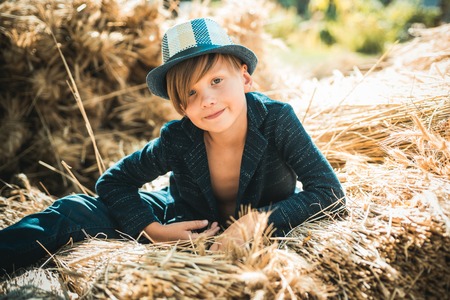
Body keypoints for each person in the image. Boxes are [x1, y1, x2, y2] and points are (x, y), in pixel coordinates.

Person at [0, 18, 345, 275]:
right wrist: (153, 231)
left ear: (244, 76)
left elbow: (329, 191)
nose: (207, 99)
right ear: (181, 106)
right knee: (72, 209)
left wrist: (260, 222)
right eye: (191, 93)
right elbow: (114, 181)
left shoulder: (275, 119)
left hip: (262, 221)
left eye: (216, 81)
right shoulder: (179, 137)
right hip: (180, 217)